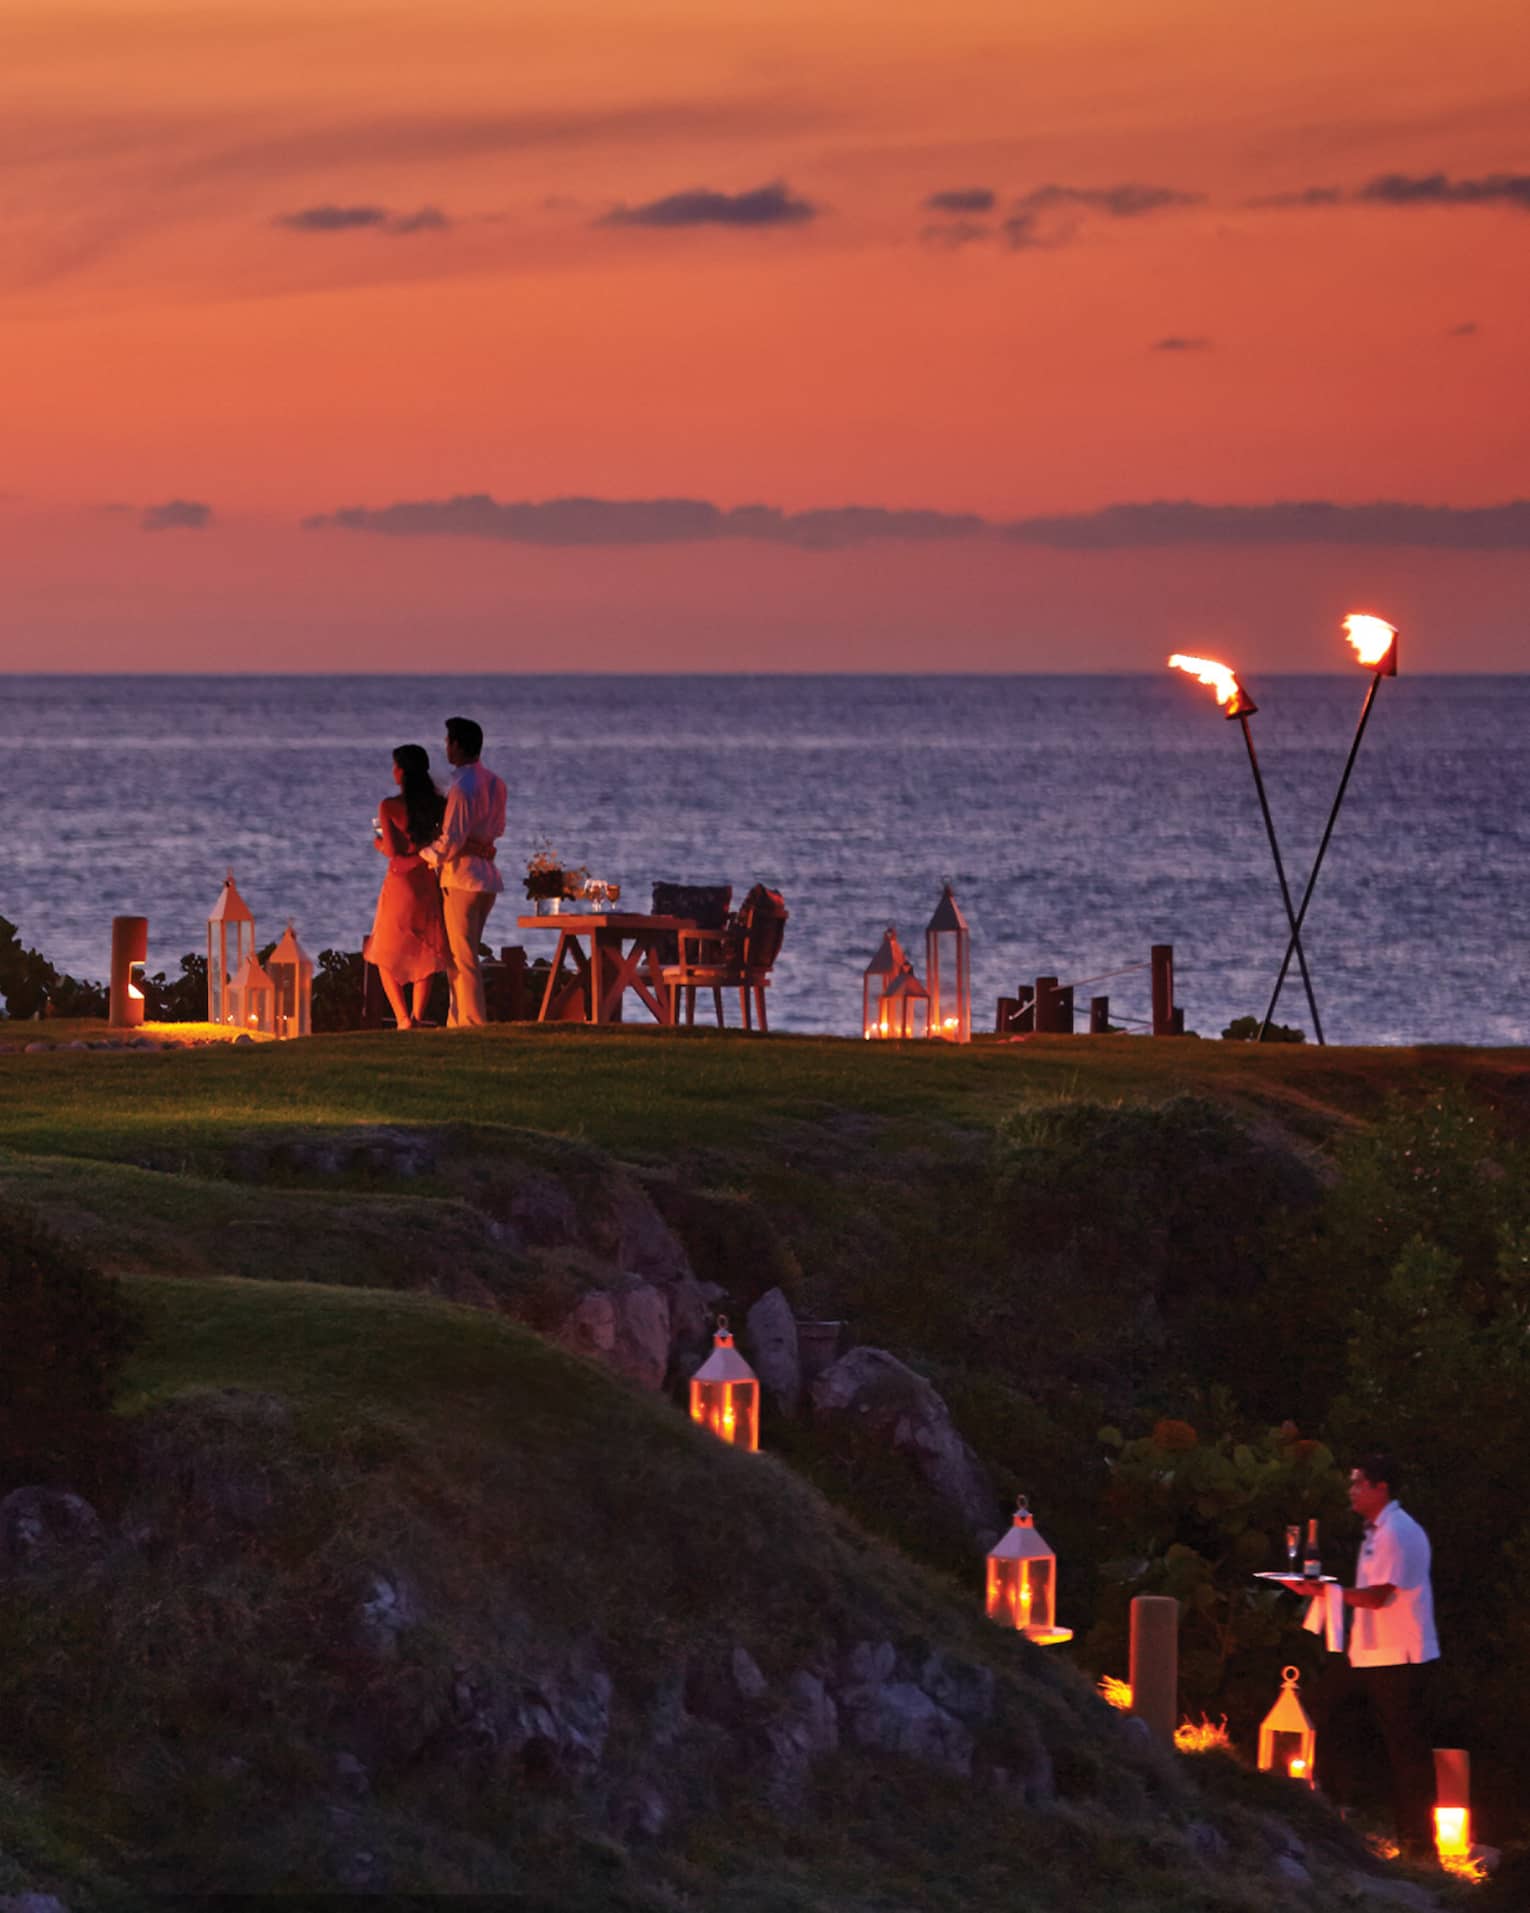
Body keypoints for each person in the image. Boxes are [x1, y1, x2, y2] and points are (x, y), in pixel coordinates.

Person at [1285, 1453, 1439, 1860]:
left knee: (1407, 1751)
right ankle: (1320, 1801)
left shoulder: (1399, 1533)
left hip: (1400, 1657)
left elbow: (1378, 1596)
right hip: (1368, 1652)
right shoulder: (1375, 1532)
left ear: (1380, 1488)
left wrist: (1324, 1592)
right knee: (1315, 1709)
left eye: (1358, 1483)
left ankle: (1421, 1847)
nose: (1351, 1491)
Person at [420, 715, 506, 1028]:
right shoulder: (496, 783)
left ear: (457, 745)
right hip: (487, 877)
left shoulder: (462, 787)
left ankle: (471, 1022)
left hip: (463, 878)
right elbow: (497, 828)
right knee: (462, 951)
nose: (446, 747)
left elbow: (452, 839)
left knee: (461, 955)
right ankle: (457, 1020)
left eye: (448, 741)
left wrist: (424, 854)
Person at [368, 744, 450, 1030]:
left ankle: (403, 1019)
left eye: (395, 766)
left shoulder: (389, 807)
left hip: (400, 882)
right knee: (424, 950)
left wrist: (378, 842)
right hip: (427, 880)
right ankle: (417, 1016)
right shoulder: (438, 804)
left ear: (402, 771)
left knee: (385, 952)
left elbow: (392, 850)